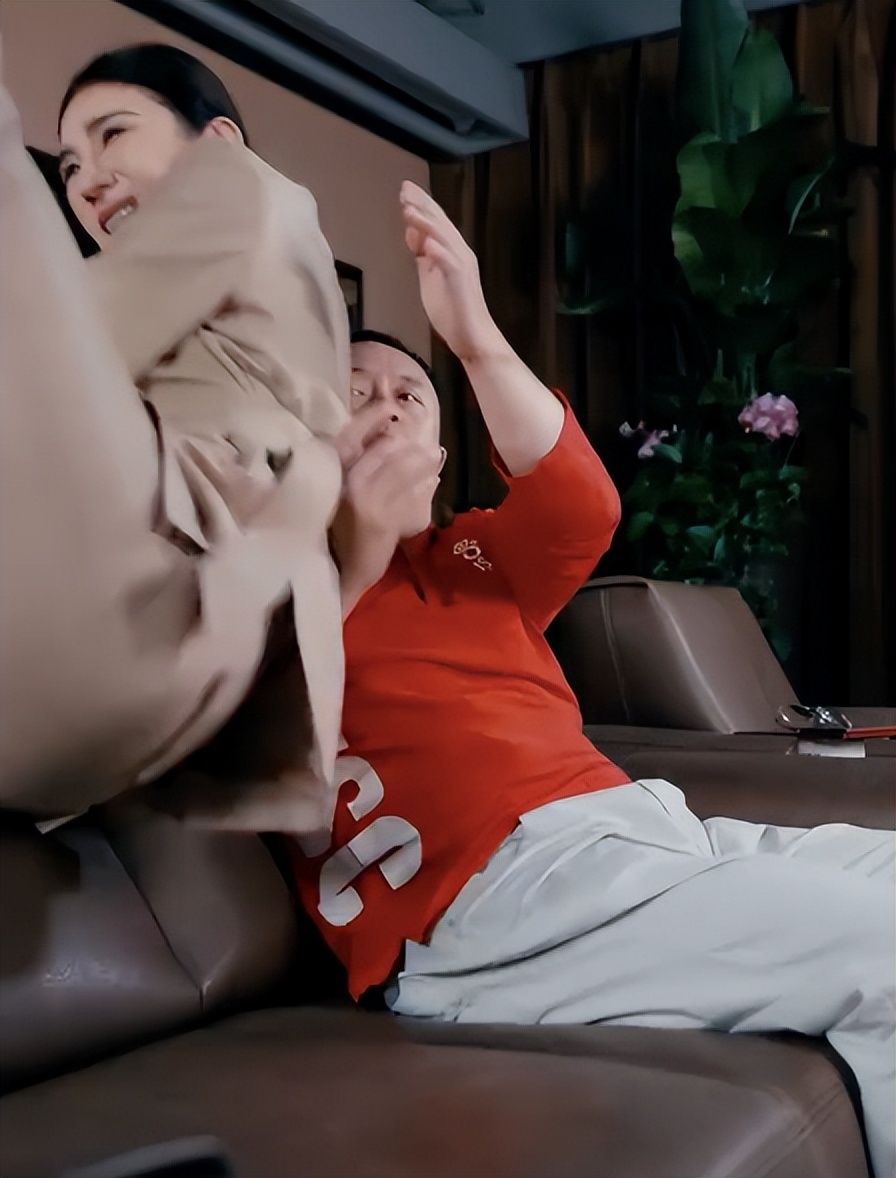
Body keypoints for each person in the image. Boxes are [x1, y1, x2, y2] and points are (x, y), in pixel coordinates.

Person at [290, 181, 895, 1178]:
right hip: (487, 907)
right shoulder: (274, 579)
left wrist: (474, 337)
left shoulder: (474, 554)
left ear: (440, 452)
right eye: (355, 395)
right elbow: (261, 727)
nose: (388, 409)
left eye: (410, 397)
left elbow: (580, 505)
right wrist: (353, 549)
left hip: (634, 837)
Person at [0, 44, 349, 834]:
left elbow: (76, 337)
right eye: (68, 167)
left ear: (217, 138)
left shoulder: (236, 180)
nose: (87, 180)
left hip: (157, 572)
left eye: (114, 134)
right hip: (161, 677)